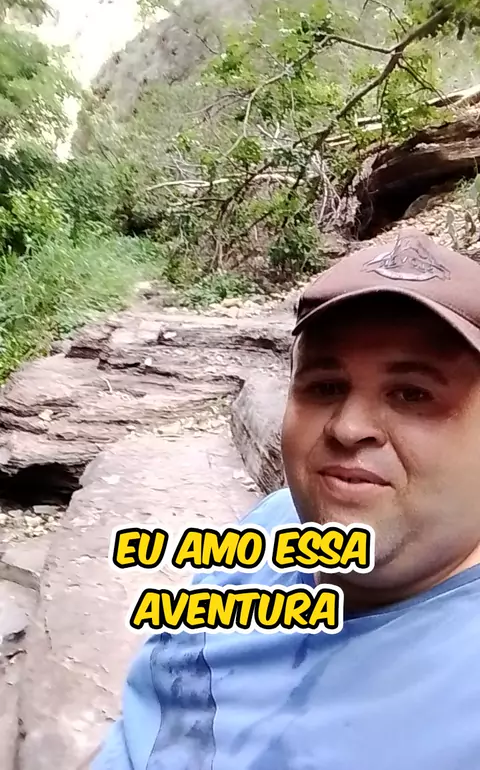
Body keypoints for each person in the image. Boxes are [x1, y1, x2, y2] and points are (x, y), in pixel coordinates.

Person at [90, 227, 480, 770]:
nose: (348, 427)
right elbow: (149, 714)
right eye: (325, 386)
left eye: (413, 393)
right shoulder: (273, 525)